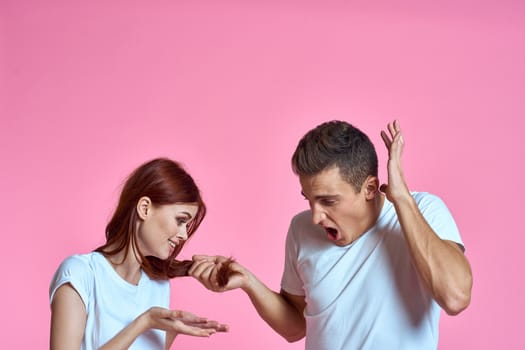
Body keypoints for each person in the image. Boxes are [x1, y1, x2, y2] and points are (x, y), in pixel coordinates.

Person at [189, 120, 473, 349]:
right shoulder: (301, 230)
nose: (315, 216)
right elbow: (295, 328)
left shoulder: (423, 211)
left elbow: (455, 297)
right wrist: (248, 282)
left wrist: (401, 199)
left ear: (370, 189)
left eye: (328, 201)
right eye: (309, 200)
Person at [49, 158, 228, 350]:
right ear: (144, 208)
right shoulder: (80, 274)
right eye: (180, 220)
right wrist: (143, 323)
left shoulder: (158, 284)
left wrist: (172, 330)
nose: (184, 235)